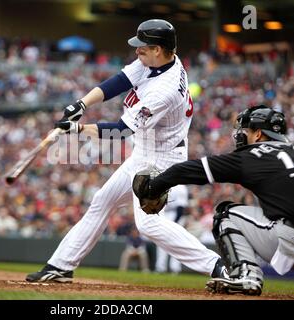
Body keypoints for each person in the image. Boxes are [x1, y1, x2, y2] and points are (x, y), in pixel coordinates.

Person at [26, 19, 226, 283]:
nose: (137, 51)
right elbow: (119, 81)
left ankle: (219, 267)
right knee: (102, 201)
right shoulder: (159, 61)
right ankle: (61, 266)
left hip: (160, 160)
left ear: (157, 49)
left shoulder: (163, 90)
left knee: (148, 224)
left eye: (142, 47)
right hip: (146, 151)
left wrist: (76, 130)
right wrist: (81, 104)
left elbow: (120, 131)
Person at [133, 105, 294, 295]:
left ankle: (246, 274)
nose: (242, 134)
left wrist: (155, 185)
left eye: (247, 131)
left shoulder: (253, 155)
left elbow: (193, 170)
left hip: (288, 236)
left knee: (226, 214)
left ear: (258, 134)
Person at [155, 184, 188, 274]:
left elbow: (180, 208)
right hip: (164, 214)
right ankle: (160, 268)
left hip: (175, 215)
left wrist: (174, 223)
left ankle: (175, 268)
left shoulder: (181, 187)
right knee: (161, 242)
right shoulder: (165, 184)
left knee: (176, 242)